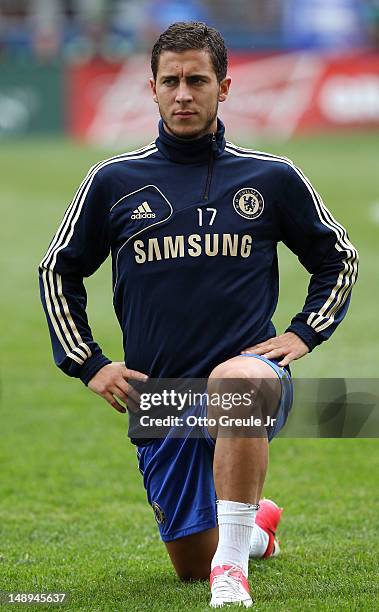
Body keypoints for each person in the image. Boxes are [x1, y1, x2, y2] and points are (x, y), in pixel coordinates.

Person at [39, 21, 358, 608]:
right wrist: (90, 364)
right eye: (171, 81)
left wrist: (304, 333)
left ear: (225, 87)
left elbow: (338, 258)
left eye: (197, 80)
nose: (184, 94)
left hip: (252, 379)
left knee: (233, 383)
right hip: (161, 397)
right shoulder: (114, 181)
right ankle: (252, 529)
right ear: (152, 90)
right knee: (188, 562)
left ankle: (231, 570)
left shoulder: (271, 176)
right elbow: (56, 270)